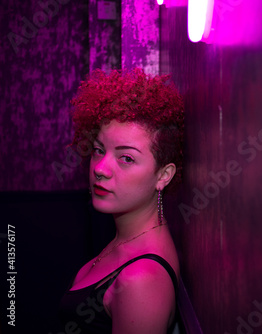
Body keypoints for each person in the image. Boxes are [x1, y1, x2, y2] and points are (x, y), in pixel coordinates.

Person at [59, 68, 185, 334]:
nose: (100, 168)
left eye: (126, 158)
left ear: (163, 175)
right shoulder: (128, 238)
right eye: (98, 150)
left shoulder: (142, 280)